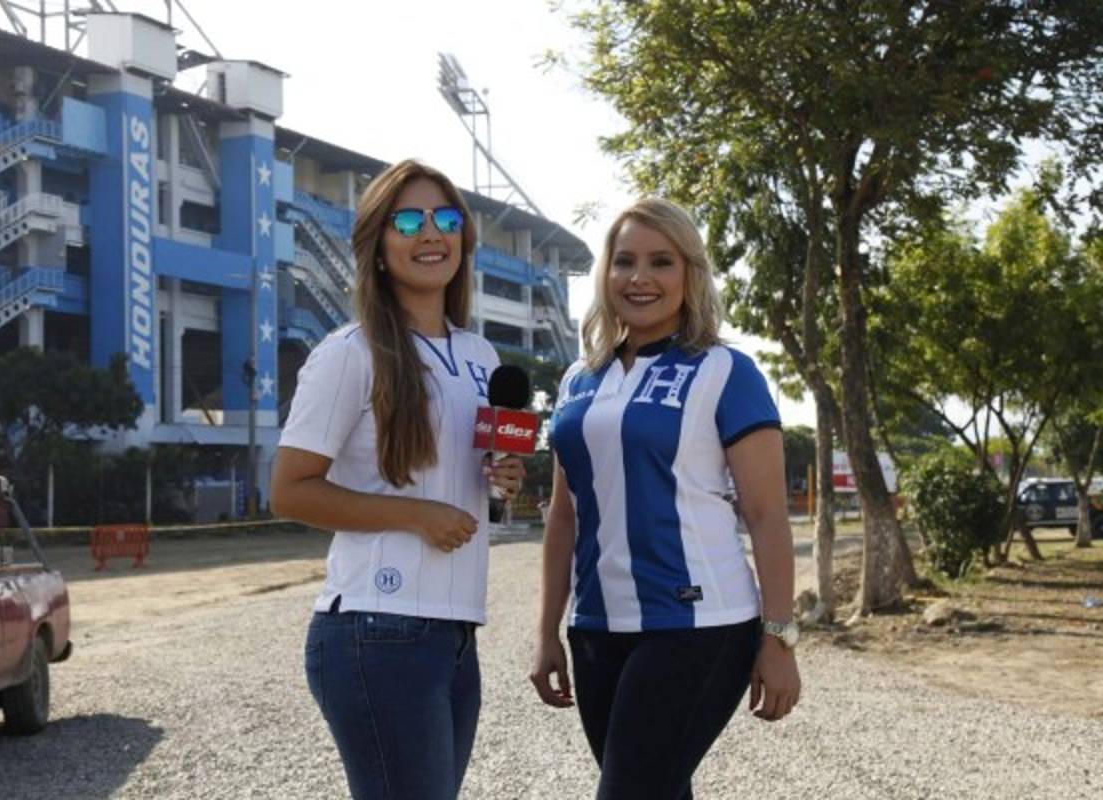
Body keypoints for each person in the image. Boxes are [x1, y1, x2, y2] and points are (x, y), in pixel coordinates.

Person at [529, 198, 801, 800]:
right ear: (605, 275)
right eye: (624, 261)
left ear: (690, 275)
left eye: (661, 262)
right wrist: (548, 631)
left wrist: (780, 640)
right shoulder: (577, 381)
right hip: (598, 628)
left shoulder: (727, 370)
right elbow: (564, 519)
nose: (639, 278)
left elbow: (766, 516)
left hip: (700, 626)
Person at [270, 159, 524, 800]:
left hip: (456, 630)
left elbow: (466, 476)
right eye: (407, 219)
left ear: (464, 239)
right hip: (376, 629)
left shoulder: (480, 357)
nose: (429, 232)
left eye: (445, 218)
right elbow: (290, 488)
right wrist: (415, 515)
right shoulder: (350, 353)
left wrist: (502, 478)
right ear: (379, 247)